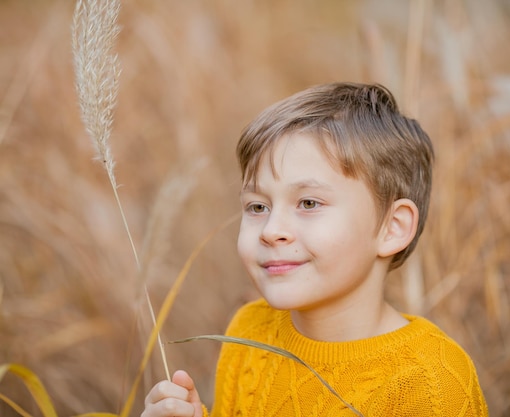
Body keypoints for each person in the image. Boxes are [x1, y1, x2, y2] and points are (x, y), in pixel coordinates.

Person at [142, 82, 488, 416]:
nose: (271, 231)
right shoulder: (250, 328)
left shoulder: (431, 382)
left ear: (392, 228)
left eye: (308, 203)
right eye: (257, 207)